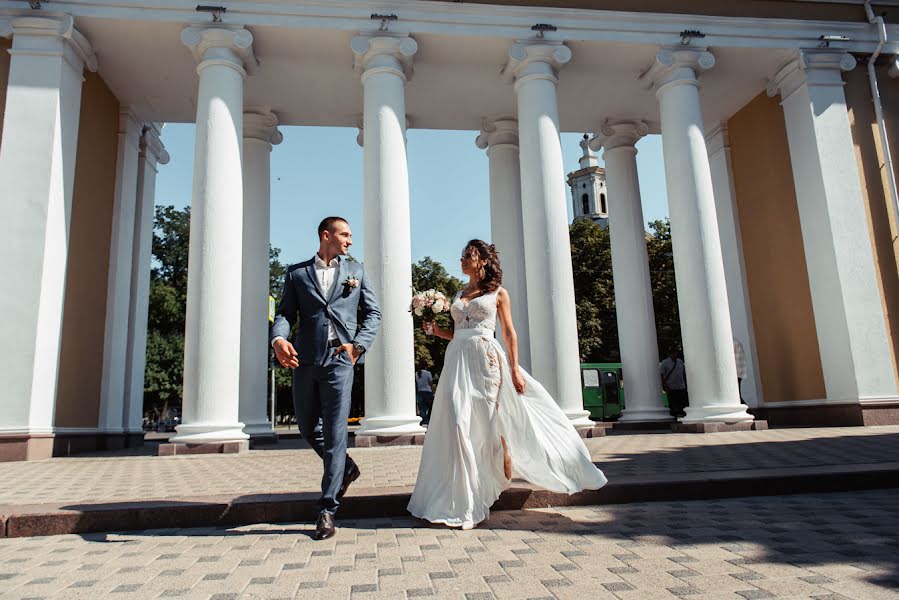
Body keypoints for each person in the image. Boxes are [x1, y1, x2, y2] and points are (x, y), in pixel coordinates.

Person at [408, 240, 607, 530]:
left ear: (483, 261)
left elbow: (509, 333)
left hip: (486, 361)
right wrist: (436, 330)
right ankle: (460, 497)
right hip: (457, 361)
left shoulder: (498, 294)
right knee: (455, 419)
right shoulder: (458, 293)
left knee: (484, 423)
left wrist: (514, 369)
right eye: (462, 255)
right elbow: (459, 333)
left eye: (468, 256)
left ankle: (499, 459)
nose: (462, 259)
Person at [270, 216, 381, 540]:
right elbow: (285, 314)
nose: (349, 240)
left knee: (335, 435)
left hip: (340, 360)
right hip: (304, 360)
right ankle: (345, 468)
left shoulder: (356, 272)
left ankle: (327, 509)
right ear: (326, 235)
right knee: (307, 427)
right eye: (344, 234)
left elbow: (373, 313)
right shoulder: (297, 273)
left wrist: (359, 346)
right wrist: (278, 340)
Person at [660, 348, 688, 418]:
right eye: (672, 353)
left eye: (675, 352)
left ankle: (682, 415)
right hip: (671, 387)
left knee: (682, 403)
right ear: (669, 354)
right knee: (673, 404)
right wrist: (665, 386)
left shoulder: (680, 362)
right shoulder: (665, 363)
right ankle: (674, 417)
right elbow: (662, 375)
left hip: (681, 386)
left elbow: (684, 373)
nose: (674, 354)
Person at [734, 338, 747, 405]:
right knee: (736, 397)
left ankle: (750, 414)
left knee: (736, 397)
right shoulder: (735, 342)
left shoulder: (734, 343)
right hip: (737, 374)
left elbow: (735, 361)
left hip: (735, 374)